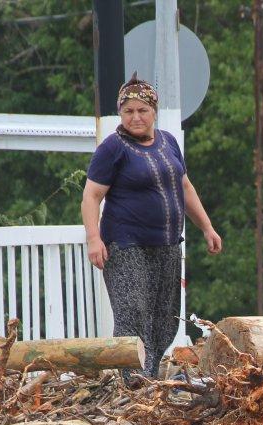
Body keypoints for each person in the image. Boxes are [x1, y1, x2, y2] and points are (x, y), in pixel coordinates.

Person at [80, 75, 222, 377]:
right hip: (126, 246)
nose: (136, 117)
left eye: (142, 110)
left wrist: (207, 227)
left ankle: (149, 379)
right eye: (128, 111)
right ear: (120, 113)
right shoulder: (113, 148)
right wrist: (94, 238)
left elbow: (185, 187)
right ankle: (134, 383)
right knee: (133, 314)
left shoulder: (168, 142)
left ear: (154, 111)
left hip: (167, 245)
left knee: (164, 320)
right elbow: (91, 196)